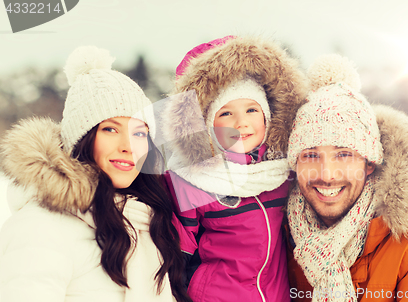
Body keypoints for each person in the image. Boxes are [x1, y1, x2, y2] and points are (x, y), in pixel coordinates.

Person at [0, 46, 191, 302]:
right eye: (111, 129)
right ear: (82, 139)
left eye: (139, 133)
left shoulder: (147, 224)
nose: (128, 146)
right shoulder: (40, 226)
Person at [286, 54, 408, 302]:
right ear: (294, 165)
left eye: (344, 154)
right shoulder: (274, 234)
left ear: (369, 163)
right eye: (311, 156)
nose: (327, 175)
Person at [162, 36, 307, 302]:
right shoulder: (195, 179)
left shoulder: (281, 171)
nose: (241, 123)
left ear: (268, 116)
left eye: (251, 109)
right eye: (226, 113)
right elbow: (175, 258)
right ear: (207, 125)